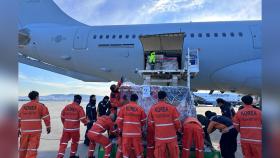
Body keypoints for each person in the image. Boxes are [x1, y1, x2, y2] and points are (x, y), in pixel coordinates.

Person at [148, 91, 181, 158]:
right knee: (174, 155)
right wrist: (176, 130)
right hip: (171, 137)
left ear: (158, 98)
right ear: (165, 97)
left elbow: (150, 124)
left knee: (159, 155)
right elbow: (177, 123)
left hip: (159, 138)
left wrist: (157, 131)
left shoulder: (153, 108)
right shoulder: (172, 108)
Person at [18, 91, 51, 158]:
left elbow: (18, 118)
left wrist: (17, 128)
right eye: (38, 97)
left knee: (23, 147)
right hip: (35, 131)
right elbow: (46, 117)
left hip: (24, 131)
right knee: (32, 149)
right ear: (36, 97)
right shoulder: (40, 106)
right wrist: (48, 126)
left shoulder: (24, 106)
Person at [116, 94, 147, 158]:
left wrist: (122, 129)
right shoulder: (140, 108)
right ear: (136, 100)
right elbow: (144, 121)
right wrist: (138, 126)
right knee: (138, 151)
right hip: (136, 134)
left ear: (130, 100)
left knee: (126, 152)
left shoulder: (123, 108)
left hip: (126, 134)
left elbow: (119, 121)